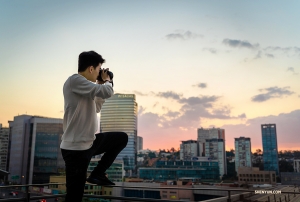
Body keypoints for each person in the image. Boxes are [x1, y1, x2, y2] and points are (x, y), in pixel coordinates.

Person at [60, 51, 128, 202]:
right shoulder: (74, 81)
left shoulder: (87, 88)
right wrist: (108, 80)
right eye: (98, 69)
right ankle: (94, 176)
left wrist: (101, 84)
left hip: (89, 143)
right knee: (75, 196)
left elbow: (96, 106)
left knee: (121, 138)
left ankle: (97, 174)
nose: (99, 73)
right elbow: (107, 92)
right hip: (75, 149)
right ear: (91, 69)